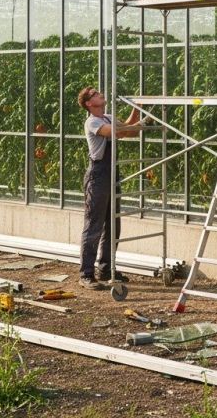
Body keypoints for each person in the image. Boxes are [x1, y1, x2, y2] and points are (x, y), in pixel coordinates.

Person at [77, 86, 142, 290]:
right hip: (98, 175)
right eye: (95, 94)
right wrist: (143, 122)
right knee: (94, 225)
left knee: (113, 224)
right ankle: (86, 274)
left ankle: (105, 268)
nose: (100, 95)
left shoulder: (107, 117)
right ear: (89, 103)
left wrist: (138, 108)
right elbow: (118, 133)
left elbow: (128, 129)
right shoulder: (93, 122)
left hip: (111, 173)